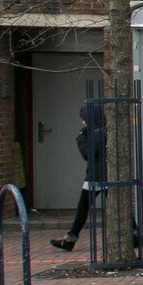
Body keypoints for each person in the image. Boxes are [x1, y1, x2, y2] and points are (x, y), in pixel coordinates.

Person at [50, 102, 107, 252]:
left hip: (97, 176)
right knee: (118, 203)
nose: (82, 122)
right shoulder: (102, 131)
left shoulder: (96, 133)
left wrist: (82, 137)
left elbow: (87, 154)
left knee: (83, 206)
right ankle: (134, 235)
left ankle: (71, 238)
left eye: (84, 118)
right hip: (103, 175)